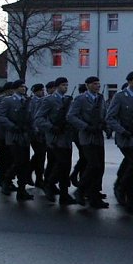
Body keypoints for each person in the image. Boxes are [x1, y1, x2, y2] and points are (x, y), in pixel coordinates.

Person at [105, 71, 133, 214]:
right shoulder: (120, 97)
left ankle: (130, 191)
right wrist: (122, 130)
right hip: (125, 137)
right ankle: (124, 191)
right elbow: (110, 117)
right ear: (129, 81)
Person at [34, 77, 79, 206]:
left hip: (66, 137)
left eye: (67, 85)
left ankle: (64, 194)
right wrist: (51, 127)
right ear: (58, 86)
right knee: (61, 163)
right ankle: (49, 183)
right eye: (63, 85)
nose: (66, 87)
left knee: (66, 166)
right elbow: (39, 118)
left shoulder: (68, 100)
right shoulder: (48, 100)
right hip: (54, 137)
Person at [67, 76, 108, 208]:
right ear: (88, 85)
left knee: (100, 167)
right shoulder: (81, 99)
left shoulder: (100, 98)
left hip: (98, 136)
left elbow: (104, 115)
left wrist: (105, 126)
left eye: (98, 84)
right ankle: (80, 190)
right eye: (95, 84)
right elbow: (71, 116)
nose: (97, 86)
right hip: (86, 136)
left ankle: (93, 195)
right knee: (93, 165)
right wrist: (85, 126)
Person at [0, 79, 34, 200]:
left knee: (24, 163)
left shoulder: (27, 101)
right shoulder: (8, 100)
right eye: (21, 87)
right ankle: (7, 181)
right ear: (16, 88)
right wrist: (12, 126)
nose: (24, 88)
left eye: (24, 87)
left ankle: (21, 190)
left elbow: (31, 116)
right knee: (18, 162)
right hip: (14, 136)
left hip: (24, 135)